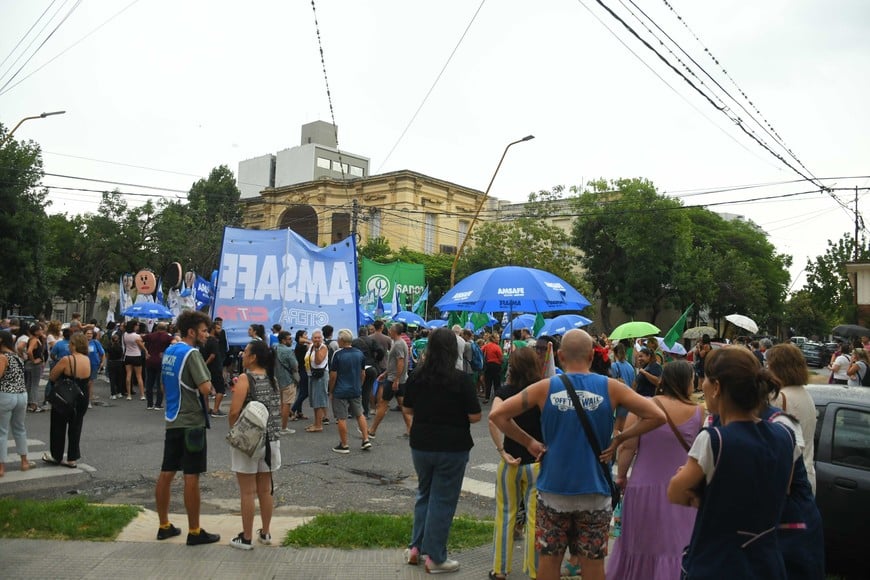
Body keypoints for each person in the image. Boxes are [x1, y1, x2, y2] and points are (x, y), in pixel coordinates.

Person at [489, 329, 666, 580]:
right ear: (592, 355)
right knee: (592, 564)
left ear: (559, 357)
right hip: (595, 492)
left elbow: (497, 415)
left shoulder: (544, 388)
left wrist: (529, 442)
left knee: (549, 563)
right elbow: (657, 416)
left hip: (554, 491)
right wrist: (621, 438)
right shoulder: (612, 388)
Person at [667, 346, 797, 578]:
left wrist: (701, 492)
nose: (703, 385)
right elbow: (783, 488)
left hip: (717, 563)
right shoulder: (785, 434)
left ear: (717, 387)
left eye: (706, 378)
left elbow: (675, 492)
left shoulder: (714, 440)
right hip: (766, 563)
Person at [607, 361, 702, 579]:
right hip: (683, 491)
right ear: (687, 381)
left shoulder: (643, 406)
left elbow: (627, 447)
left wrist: (621, 477)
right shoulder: (698, 412)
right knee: (677, 547)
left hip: (643, 488)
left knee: (640, 548)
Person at [402, 327, 482, 574]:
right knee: (443, 501)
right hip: (452, 446)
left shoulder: (417, 375)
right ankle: (436, 557)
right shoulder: (461, 379)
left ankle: (416, 548)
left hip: (421, 444)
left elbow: (408, 408)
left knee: (424, 494)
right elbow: (475, 416)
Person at [154, 310, 220, 546]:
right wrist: (211, 386)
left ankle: (164, 525)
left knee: (167, 472)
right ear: (191, 332)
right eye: (203, 331)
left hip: (172, 419)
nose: (206, 334)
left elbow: (164, 385)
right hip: (192, 422)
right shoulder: (192, 354)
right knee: (191, 476)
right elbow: (205, 388)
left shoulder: (171, 351)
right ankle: (194, 531)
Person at [487, 347, 542, 580]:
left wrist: (501, 450)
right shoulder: (541, 391)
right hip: (537, 463)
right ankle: (535, 570)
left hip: (510, 461)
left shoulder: (505, 391)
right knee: (535, 519)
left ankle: (500, 569)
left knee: (505, 514)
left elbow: (494, 418)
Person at [227, 339, 281, 550]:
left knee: (247, 491)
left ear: (253, 357)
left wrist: (235, 433)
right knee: (266, 489)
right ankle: (265, 532)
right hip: (272, 440)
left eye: (246, 352)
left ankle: (247, 537)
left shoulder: (245, 378)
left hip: (249, 441)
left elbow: (233, 412)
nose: (242, 355)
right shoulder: (273, 379)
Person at [765, 343, 818, 494]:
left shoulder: (780, 397)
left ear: (778, 367)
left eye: (769, 365)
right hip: (807, 475)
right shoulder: (805, 394)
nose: (767, 370)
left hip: (789, 481)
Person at [45, 333, 92, 468]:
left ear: (74, 345)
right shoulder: (86, 359)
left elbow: (53, 376)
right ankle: (72, 458)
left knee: (58, 427)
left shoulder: (67, 359)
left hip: (66, 397)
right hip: (82, 397)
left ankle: (56, 456)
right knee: (75, 428)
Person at [328, 328, 372, 454]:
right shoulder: (359, 354)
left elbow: (333, 375)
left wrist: (331, 390)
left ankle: (344, 444)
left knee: (341, 417)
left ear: (341, 340)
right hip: (355, 388)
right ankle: (365, 439)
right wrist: (360, 385)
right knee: (360, 414)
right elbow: (363, 373)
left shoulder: (338, 354)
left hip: (341, 390)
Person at [369, 324, 411, 438]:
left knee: (383, 403)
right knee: (403, 405)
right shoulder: (398, 343)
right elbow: (394, 363)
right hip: (399, 378)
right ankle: (410, 430)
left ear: (394, 331)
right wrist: (385, 373)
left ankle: (372, 430)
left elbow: (400, 362)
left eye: (391, 329)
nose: (389, 331)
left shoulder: (398, 344)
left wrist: (396, 379)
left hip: (394, 379)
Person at [0, 331, 32, 477]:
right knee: (19, 429)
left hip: (6, 395)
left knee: (2, 432)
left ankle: (1, 467)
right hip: (21, 395)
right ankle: (24, 462)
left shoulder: (2, 357)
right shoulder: (17, 356)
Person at [273, 330, 299, 435]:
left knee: (279, 404)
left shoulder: (274, 348)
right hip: (288, 380)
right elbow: (295, 365)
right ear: (283, 340)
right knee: (286, 404)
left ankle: (276, 426)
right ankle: (283, 427)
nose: (291, 340)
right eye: (289, 339)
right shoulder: (288, 351)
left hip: (276, 379)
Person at [303, 329, 329, 432]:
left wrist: (317, 349)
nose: (317, 339)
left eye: (319, 337)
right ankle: (316, 423)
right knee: (314, 400)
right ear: (312, 338)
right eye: (315, 338)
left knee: (318, 400)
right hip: (311, 375)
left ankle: (319, 425)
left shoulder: (323, 347)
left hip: (320, 376)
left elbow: (318, 362)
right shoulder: (310, 346)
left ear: (322, 338)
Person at [143, 322, 173, 410]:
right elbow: (175, 342)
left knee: (149, 383)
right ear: (166, 328)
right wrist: (167, 352)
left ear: (157, 328)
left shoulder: (150, 335)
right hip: (161, 361)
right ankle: (158, 404)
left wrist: (145, 351)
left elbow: (138, 339)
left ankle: (149, 404)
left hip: (150, 360)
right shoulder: (167, 337)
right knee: (160, 383)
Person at [200, 321, 226, 416]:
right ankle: (215, 410)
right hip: (214, 368)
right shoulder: (213, 340)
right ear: (213, 329)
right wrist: (205, 364)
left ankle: (206, 409)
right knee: (220, 389)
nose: (220, 330)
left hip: (205, 368)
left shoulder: (203, 340)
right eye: (218, 328)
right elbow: (213, 355)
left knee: (206, 389)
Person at [123, 320, 148, 401]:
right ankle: (142, 394)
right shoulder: (136, 336)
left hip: (128, 355)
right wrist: (146, 351)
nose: (138, 326)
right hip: (136, 356)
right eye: (136, 325)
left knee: (128, 375)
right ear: (133, 326)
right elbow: (141, 346)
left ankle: (129, 395)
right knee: (139, 376)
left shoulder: (125, 334)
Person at [23, 324, 46, 413]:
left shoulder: (33, 339)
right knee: (35, 384)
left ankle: (28, 403)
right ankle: (34, 404)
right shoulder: (34, 340)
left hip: (29, 364)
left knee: (29, 383)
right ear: (36, 332)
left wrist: (43, 341)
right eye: (40, 330)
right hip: (34, 365)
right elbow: (29, 351)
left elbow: (41, 351)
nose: (42, 331)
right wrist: (33, 360)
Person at [290, 329, 311, 420]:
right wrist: (307, 341)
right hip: (303, 371)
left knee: (302, 392)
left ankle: (299, 412)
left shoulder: (300, 346)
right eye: (305, 335)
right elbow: (311, 345)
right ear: (300, 337)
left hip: (302, 370)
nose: (307, 336)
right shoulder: (301, 346)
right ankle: (293, 410)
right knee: (305, 392)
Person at [84, 328, 105, 409]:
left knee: (90, 383)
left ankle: (88, 401)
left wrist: (102, 362)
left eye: (90, 333)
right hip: (84, 364)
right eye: (87, 333)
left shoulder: (96, 342)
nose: (89, 335)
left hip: (94, 365)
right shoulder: (82, 342)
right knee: (84, 383)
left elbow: (102, 353)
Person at [481, 333, 503, 405]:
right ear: (493, 339)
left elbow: (481, 351)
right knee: (497, 382)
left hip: (488, 365)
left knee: (488, 382)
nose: (499, 339)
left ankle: (487, 397)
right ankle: (497, 397)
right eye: (497, 337)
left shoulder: (486, 346)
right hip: (496, 365)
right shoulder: (497, 347)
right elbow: (500, 357)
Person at [105, 331, 126, 400]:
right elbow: (122, 355)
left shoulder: (109, 347)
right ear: (119, 340)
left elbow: (107, 354)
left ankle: (113, 394)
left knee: (112, 379)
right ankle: (119, 392)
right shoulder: (120, 347)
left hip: (111, 363)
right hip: (119, 363)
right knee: (119, 378)